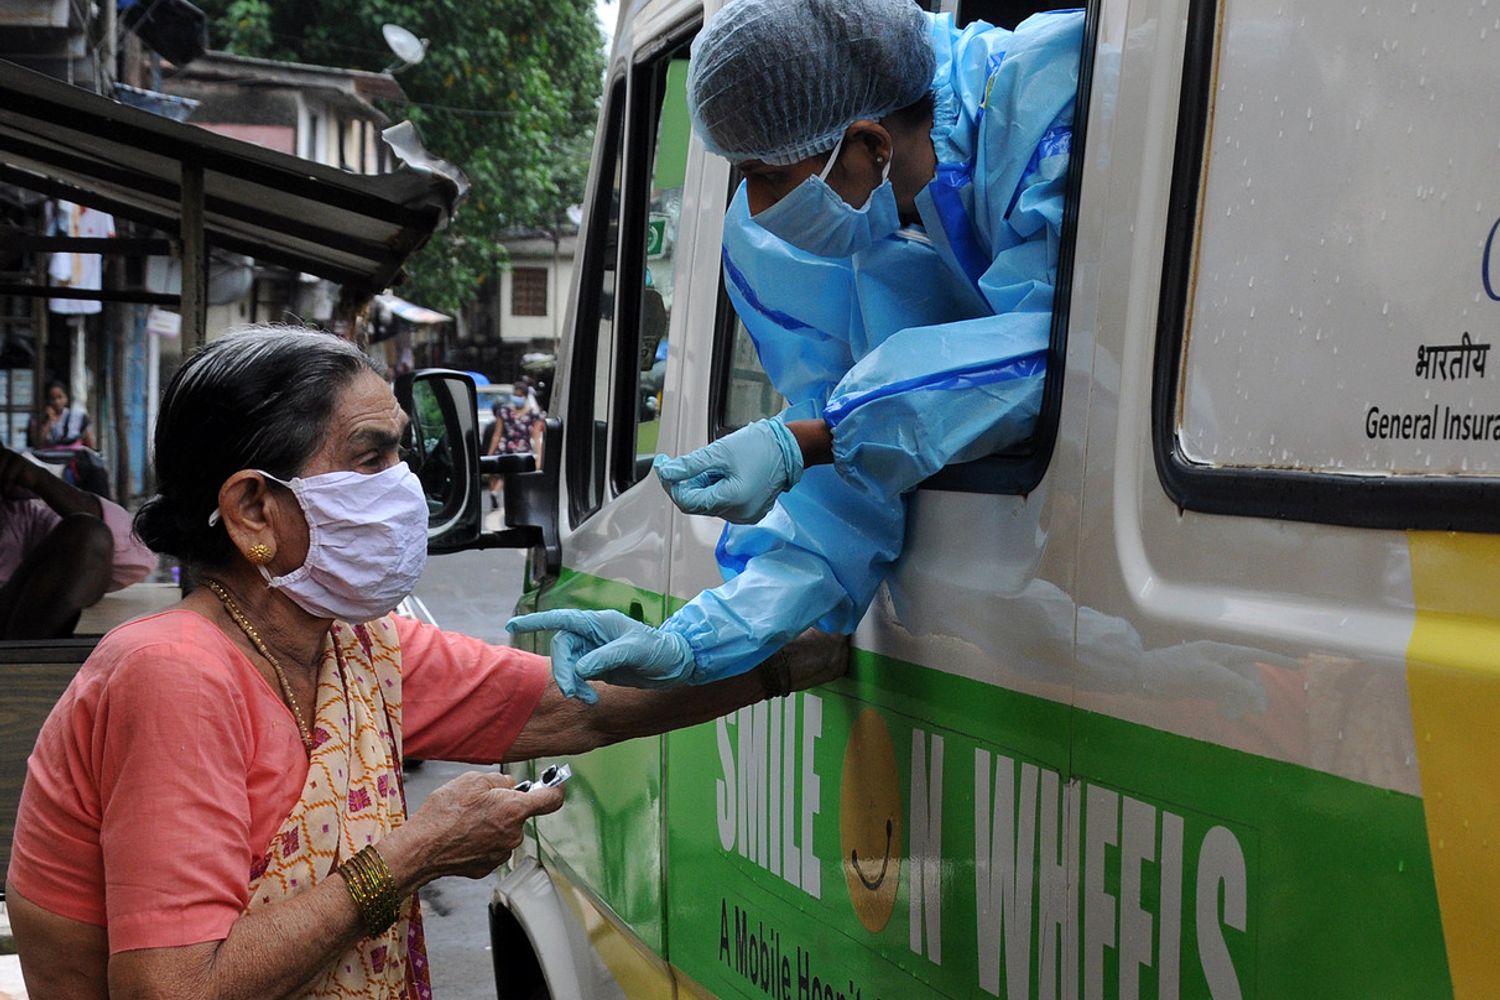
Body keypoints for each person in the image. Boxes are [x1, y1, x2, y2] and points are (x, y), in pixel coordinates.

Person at [4, 326, 840, 1000]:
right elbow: (173, 989)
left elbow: (574, 704)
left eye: (405, 455)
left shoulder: (354, 644)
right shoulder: (174, 670)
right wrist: (414, 854)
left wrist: (782, 657)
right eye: (370, 458)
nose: (403, 489)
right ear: (254, 506)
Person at [510, 0, 1083, 700]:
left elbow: (1064, 357)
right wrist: (694, 642)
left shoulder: (1049, 97)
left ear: (870, 145)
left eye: (768, 175)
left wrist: (817, 435)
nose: (753, 208)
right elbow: (840, 499)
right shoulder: (802, 254)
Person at [0, 444, 155, 639]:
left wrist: (41, 481)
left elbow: (138, 555)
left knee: (89, 533)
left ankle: (22, 662)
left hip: (13, 644)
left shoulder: (22, 518)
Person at [28, 379, 96, 449]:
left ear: (66, 398)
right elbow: (38, 443)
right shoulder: (40, 418)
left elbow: (89, 443)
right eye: (52, 398)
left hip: (72, 458)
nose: (56, 402)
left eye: (60, 397)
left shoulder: (77, 417)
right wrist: (49, 421)